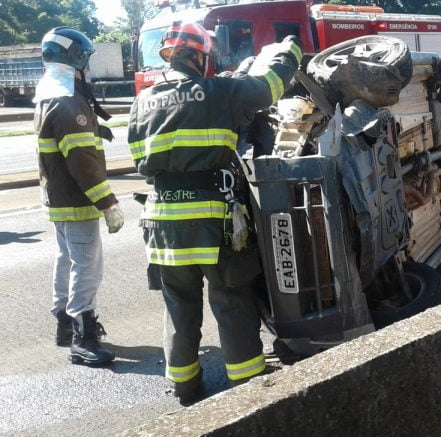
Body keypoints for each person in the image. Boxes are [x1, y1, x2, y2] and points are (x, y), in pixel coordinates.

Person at [127, 23, 302, 405]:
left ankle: (184, 386)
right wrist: (290, 49)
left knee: (178, 305)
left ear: (168, 56)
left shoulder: (141, 102)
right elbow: (271, 85)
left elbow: (140, 159)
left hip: (160, 221)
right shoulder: (219, 92)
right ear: (202, 56)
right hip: (212, 220)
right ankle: (249, 384)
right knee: (231, 299)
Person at [34, 27, 125, 366]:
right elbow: (82, 161)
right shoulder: (68, 100)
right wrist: (108, 203)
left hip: (57, 196)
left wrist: (95, 127)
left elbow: (59, 139)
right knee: (87, 266)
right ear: (76, 58)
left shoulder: (48, 94)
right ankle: (83, 339)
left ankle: (63, 324)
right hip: (77, 199)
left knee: (66, 259)